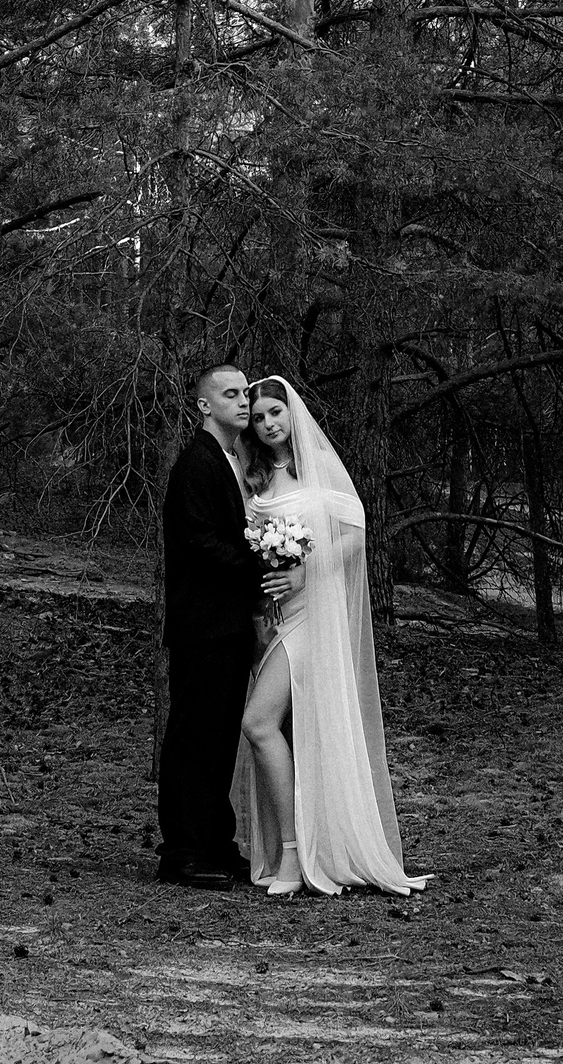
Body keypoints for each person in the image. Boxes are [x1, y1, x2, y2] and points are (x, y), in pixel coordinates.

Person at [234, 374, 428, 897]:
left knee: (258, 722)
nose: (268, 424)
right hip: (272, 618)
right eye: (258, 417)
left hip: (313, 616)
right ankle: (297, 848)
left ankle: (294, 854)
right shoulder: (253, 477)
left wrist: (305, 571)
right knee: (286, 731)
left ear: (292, 413)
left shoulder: (319, 470)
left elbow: (355, 534)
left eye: (275, 412)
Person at [156, 361, 294, 887]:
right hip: (203, 625)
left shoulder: (230, 460)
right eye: (231, 394)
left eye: (245, 394)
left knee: (218, 741)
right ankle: (183, 853)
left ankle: (215, 842)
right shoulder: (196, 461)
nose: (242, 402)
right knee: (195, 738)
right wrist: (260, 565)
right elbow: (198, 541)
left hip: (227, 624)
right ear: (204, 405)